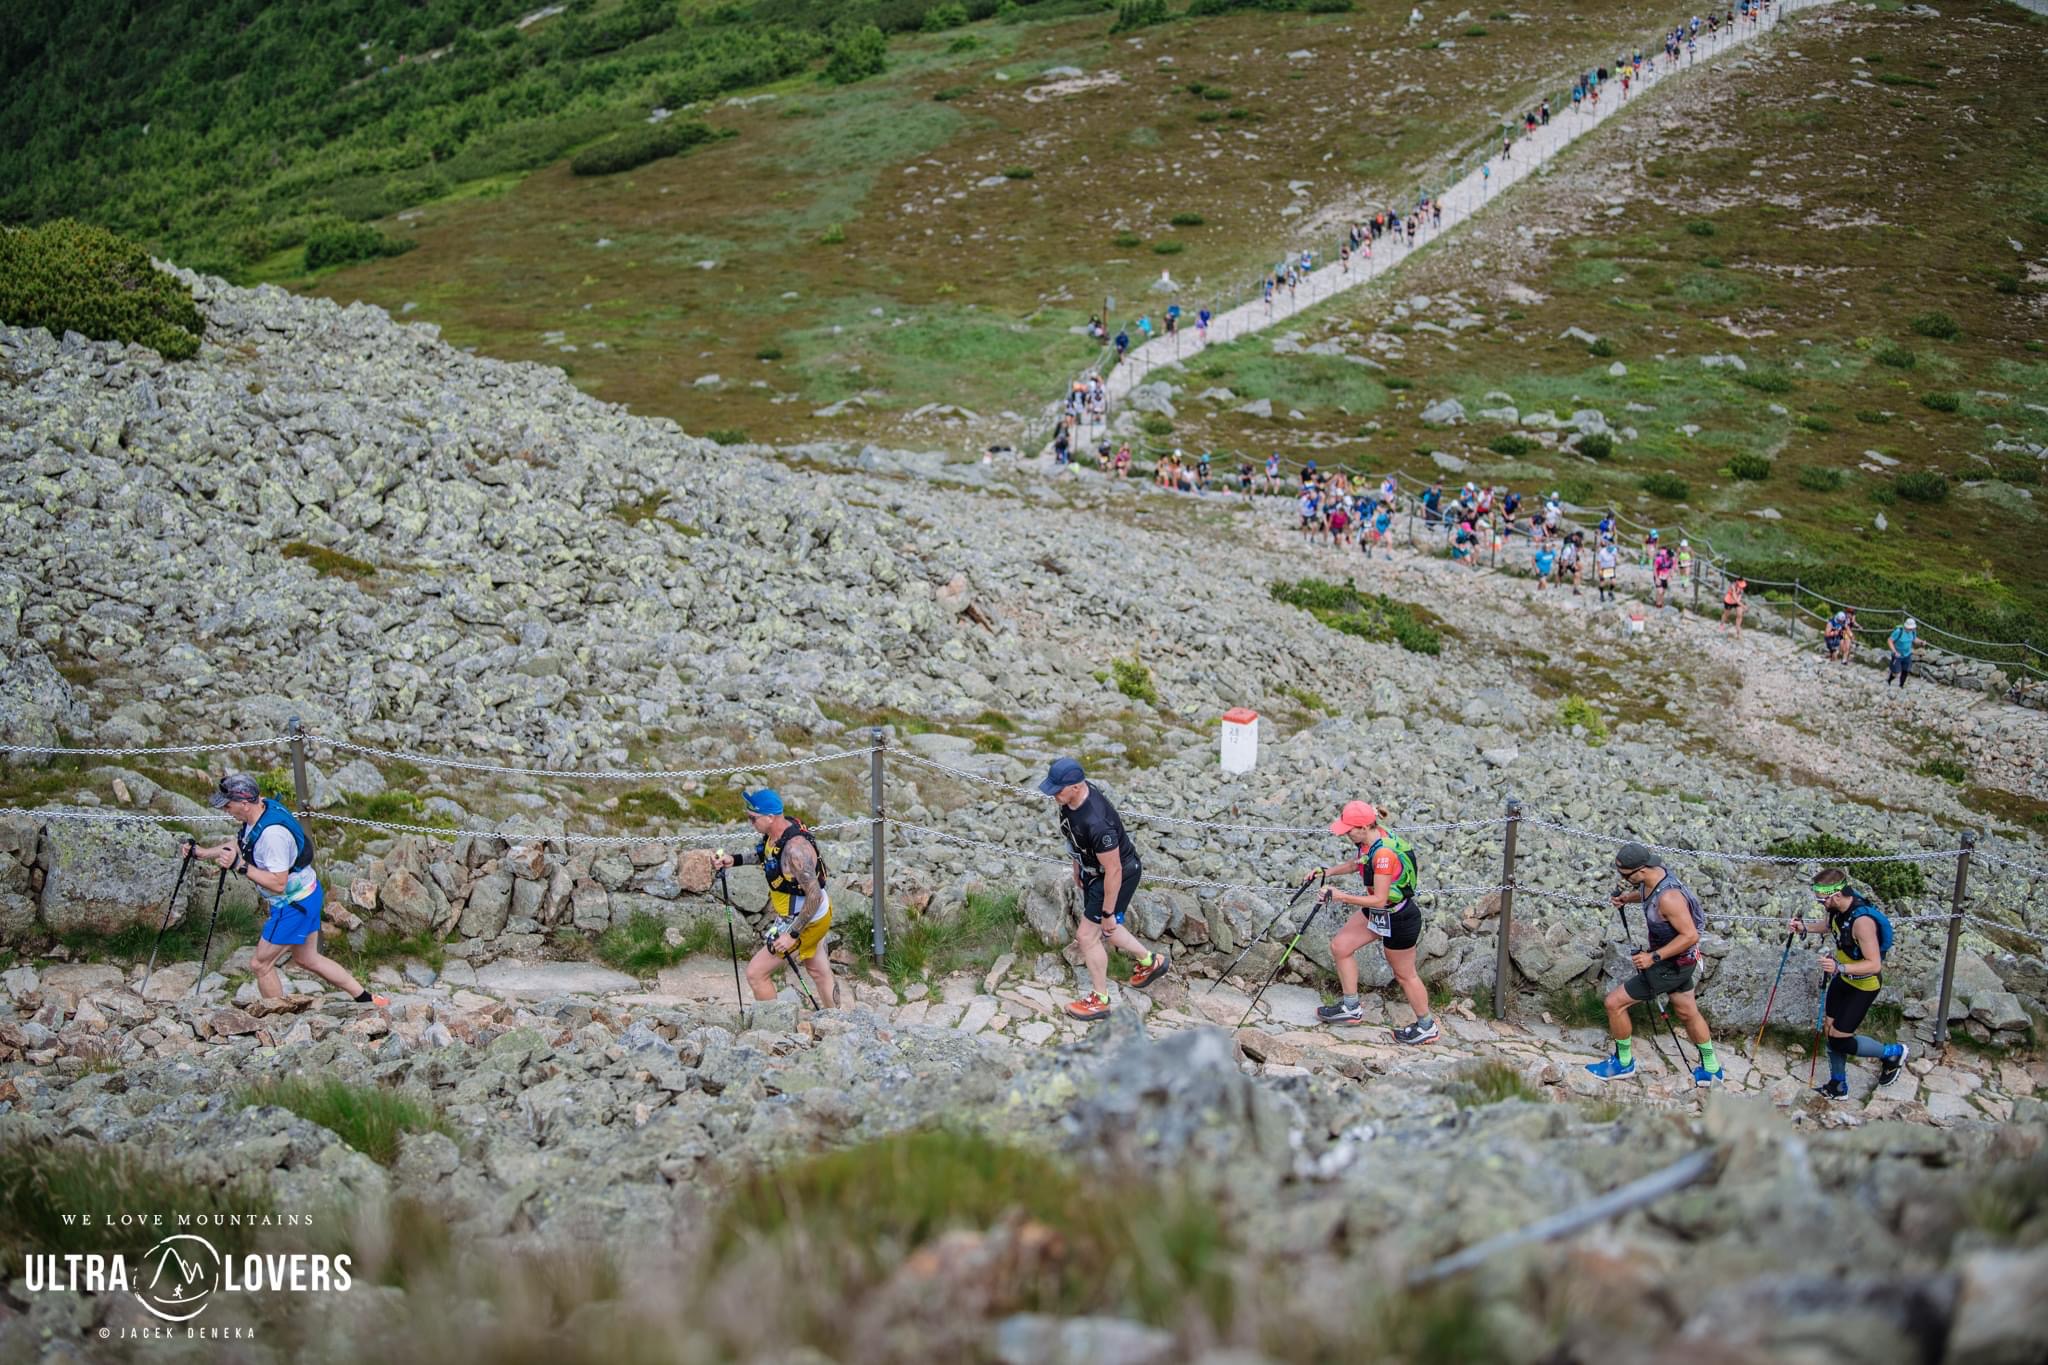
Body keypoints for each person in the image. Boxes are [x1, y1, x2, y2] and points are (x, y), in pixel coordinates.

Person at [194, 773, 386, 1006]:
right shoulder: (262, 810)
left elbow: (278, 883)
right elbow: (243, 844)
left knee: (260, 964)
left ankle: (278, 1021)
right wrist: (203, 853)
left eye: (228, 804)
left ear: (244, 803)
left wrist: (240, 867)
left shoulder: (272, 837)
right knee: (308, 958)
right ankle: (367, 999)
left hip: (292, 905)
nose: (225, 809)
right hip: (308, 894)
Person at [1587, 842, 1725, 1085]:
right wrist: (1626, 898)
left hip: (1669, 966)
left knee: (1614, 1003)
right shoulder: (1656, 875)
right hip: (1685, 961)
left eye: (1624, 875)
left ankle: (1623, 1063)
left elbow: (1691, 935)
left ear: (1640, 870)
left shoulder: (1670, 898)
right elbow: (1646, 893)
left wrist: (1653, 957)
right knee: (1686, 1011)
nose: (1622, 878)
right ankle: (1712, 1069)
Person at [1040, 758, 1167, 1020]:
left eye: (1058, 789)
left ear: (1076, 786)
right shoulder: (1071, 800)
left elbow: (1115, 870)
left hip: (1115, 875)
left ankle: (1100, 1000)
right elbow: (1073, 836)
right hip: (1094, 871)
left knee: (1088, 935)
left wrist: (1108, 910)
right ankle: (1150, 961)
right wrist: (1078, 863)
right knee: (1107, 929)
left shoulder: (1098, 823)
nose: (1053, 794)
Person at [1309, 801, 1438, 1044]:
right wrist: (1326, 872)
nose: (1346, 834)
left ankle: (1426, 1026)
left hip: (1398, 916)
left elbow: (1379, 899)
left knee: (1404, 975)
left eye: (1349, 830)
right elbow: (1355, 864)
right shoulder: (1369, 840)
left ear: (1365, 826)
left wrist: (1339, 896)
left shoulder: (1384, 854)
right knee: (1341, 947)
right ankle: (1350, 1007)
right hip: (1379, 912)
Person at [713, 789, 837, 1009]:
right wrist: (735, 860)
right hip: (809, 916)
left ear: (770, 817)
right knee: (819, 970)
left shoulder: (795, 850)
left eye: (753, 818)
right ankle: (837, 1020)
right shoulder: (778, 833)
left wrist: (792, 935)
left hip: (804, 919)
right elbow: (768, 855)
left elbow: (814, 895)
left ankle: (774, 1026)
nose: (750, 822)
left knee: (756, 973)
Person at [1791, 867, 1908, 1099]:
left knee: (1840, 1039)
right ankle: (1838, 1085)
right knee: (1829, 1029)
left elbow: (1874, 964)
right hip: (1843, 977)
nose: (1820, 902)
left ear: (1835, 895)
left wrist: (1839, 967)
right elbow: (1828, 926)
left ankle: (1892, 1053)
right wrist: (1805, 927)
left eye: (1822, 899)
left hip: (1863, 986)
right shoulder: (1838, 909)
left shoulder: (1862, 922)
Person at [1887, 617, 1917, 687]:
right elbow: (1889, 640)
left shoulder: (1913, 631)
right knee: (1895, 672)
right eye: (1910, 628)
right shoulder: (1898, 631)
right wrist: (1894, 651)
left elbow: (1914, 639)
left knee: (1905, 671)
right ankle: (1889, 680)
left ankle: (1901, 686)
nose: (1911, 629)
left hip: (1907, 654)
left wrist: (1921, 642)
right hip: (1897, 655)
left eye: (1912, 628)